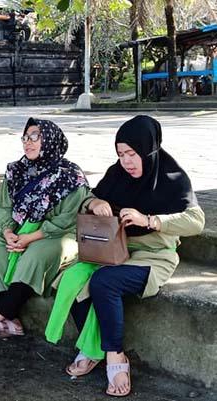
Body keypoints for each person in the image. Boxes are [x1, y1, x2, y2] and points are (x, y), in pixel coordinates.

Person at [45, 115, 204, 397]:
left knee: (104, 282)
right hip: (115, 251)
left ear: (149, 150)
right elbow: (86, 199)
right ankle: (92, 348)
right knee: (70, 278)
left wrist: (150, 220)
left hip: (154, 257)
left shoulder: (172, 178)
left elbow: (196, 222)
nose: (127, 161)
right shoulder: (116, 174)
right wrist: (96, 202)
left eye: (132, 154)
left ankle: (115, 356)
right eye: (121, 154)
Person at [0, 118, 89, 340]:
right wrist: (8, 233)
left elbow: (68, 219)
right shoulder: (16, 171)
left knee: (35, 256)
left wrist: (31, 238)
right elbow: (4, 207)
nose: (27, 143)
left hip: (58, 235)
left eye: (34, 137)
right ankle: (13, 322)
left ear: (50, 140)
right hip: (20, 232)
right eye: (25, 137)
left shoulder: (70, 176)